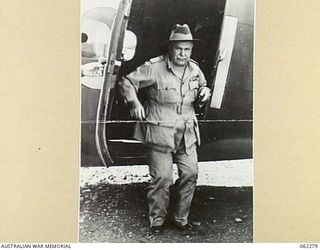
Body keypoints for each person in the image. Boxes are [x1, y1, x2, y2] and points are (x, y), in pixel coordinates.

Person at [118, 24, 211, 233]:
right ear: (170, 48)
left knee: (191, 173)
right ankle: (157, 220)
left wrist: (205, 90)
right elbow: (127, 82)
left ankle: (180, 218)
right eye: (179, 48)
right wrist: (134, 103)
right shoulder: (154, 67)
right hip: (160, 130)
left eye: (187, 49)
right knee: (162, 177)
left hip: (186, 133)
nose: (183, 54)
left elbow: (203, 84)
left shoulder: (195, 68)